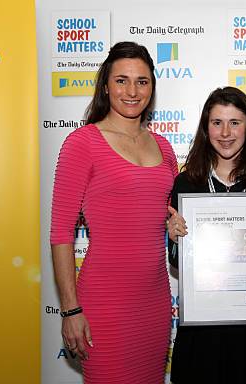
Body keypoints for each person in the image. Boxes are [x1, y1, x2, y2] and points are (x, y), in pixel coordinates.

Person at [50, 41, 177, 383]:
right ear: (106, 85)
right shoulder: (82, 143)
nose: (132, 91)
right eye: (122, 80)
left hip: (154, 302)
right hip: (103, 304)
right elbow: (61, 233)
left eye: (142, 81)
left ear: (152, 86)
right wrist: (70, 309)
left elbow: (172, 217)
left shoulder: (164, 148)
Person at [166, 86, 246, 384]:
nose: (225, 133)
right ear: (205, 128)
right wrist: (174, 240)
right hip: (202, 332)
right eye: (217, 123)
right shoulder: (186, 183)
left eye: (235, 122)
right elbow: (177, 263)